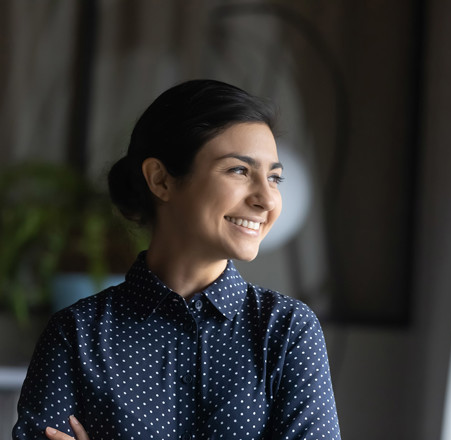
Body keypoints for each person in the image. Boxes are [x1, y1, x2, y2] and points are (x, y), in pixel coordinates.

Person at [13, 79, 341, 440]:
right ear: (160, 180)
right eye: (239, 170)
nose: (267, 199)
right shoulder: (76, 335)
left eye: (275, 178)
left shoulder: (286, 331)